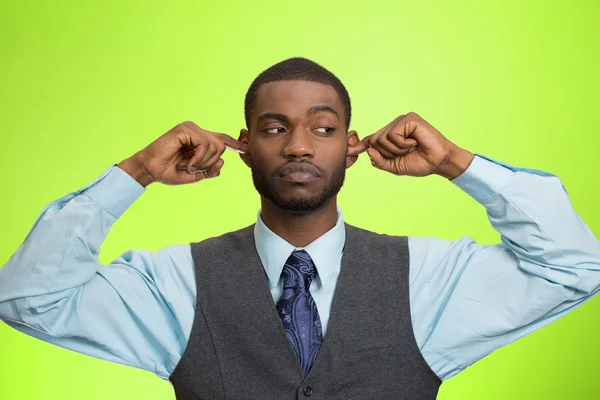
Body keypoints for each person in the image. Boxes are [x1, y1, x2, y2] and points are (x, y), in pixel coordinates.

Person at [0, 57, 599, 400]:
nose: (298, 146)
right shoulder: (174, 282)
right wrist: (134, 174)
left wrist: (454, 163)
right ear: (243, 147)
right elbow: (26, 300)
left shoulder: (429, 278)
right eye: (273, 127)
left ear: (352, 145)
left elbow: (577, 268)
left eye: (322, 126)